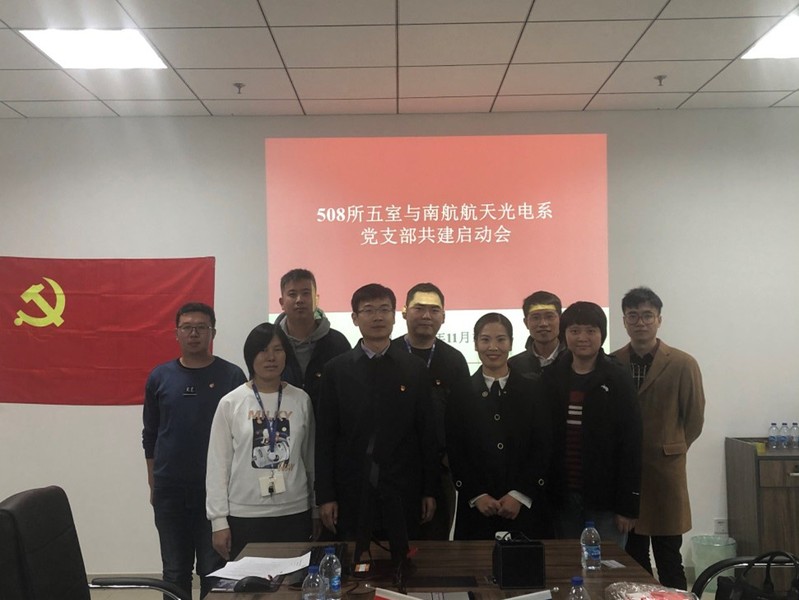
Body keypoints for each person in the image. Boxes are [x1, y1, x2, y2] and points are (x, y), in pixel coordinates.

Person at [315, 283, 438, 560]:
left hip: (404, 487)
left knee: (404, 566)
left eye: (384, 309)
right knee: (355, 565)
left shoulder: (414, 369)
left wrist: (429, 490)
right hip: (351, 489)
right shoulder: (336, 370)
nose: (378, 317)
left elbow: (426, 434)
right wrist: (326, 496)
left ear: (395, 316)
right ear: (354, 318)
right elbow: (325, 438)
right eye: (368, 310)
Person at [142, 302, 246, 599]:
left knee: (214, 569)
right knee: (175, 571)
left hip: (216, 493)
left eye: (201, 327)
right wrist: (153, 482)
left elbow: (242, 438)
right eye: (187, 327)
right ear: (176, 333)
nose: (194, 333)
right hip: (170, 491)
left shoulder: (231, 376)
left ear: (213, 332)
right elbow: (150, 435)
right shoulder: (160, 377)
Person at [611, 287, 705, 589]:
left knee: (669, 559)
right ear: (624, 321)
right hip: (626, 476)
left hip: (666, 475)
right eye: (633, 316)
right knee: (633, 559)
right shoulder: (612, 363)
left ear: (659, 320)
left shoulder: (682, 363)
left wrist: (672, 446)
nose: (640, 322)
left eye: (647, 315)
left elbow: (694, 419)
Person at [206, 323, 317, 562]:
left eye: (278, 349)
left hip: (294, 511)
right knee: (249, 583)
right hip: (245, 514)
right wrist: (218, 521)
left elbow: (310, 459)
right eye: (263, 350)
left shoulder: (301, 400)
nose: (271, 357)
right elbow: (218, 466)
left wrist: (315, 509)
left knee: (293, 580)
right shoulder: (231, 402)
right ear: (250, 356)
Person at [543, 301, 641, 548]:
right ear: (564, 334)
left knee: (607, 566)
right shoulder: (552, 376)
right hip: (562, 496)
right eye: (574, 331)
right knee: (566, 564)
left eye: (590, 330)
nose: (582, 338)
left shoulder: (618, 378)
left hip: (606, 500)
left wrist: (628, 506)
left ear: (602, 334)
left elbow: (631, 443)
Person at [446, 312, 553, 540]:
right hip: (477, 510)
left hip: (525, 509)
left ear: (511, 343)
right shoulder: (460, 392)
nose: (493, 347)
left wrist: (519, 495)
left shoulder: (533, 390)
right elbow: (455, 449)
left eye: (501, 339)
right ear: (475, 344)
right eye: (485, 340)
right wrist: (477, 495)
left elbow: (543, 447)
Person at [391, 282, 470, 539]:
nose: (426, 315)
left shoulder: (454, 360)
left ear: (443, 316)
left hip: (440, 471)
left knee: (437, 546)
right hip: (394, 470)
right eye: (419, 308)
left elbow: (463, 420)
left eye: (434, 310)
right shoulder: (388, 355)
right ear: (404, 312)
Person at [275, 268, 351, 411]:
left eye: (306, 293)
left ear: (316, 299)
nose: (299, 300)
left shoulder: (337, 343)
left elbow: (348, 393)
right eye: (292, 294)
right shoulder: (270, 343)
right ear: (282, 302)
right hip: (282, 423)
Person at [508, 290, 567, 377]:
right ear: (526, 323)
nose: (543, 323)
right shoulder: (513, 365)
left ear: (560, 320)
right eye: (536, 318)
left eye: (549, 317)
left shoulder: (575, 360)